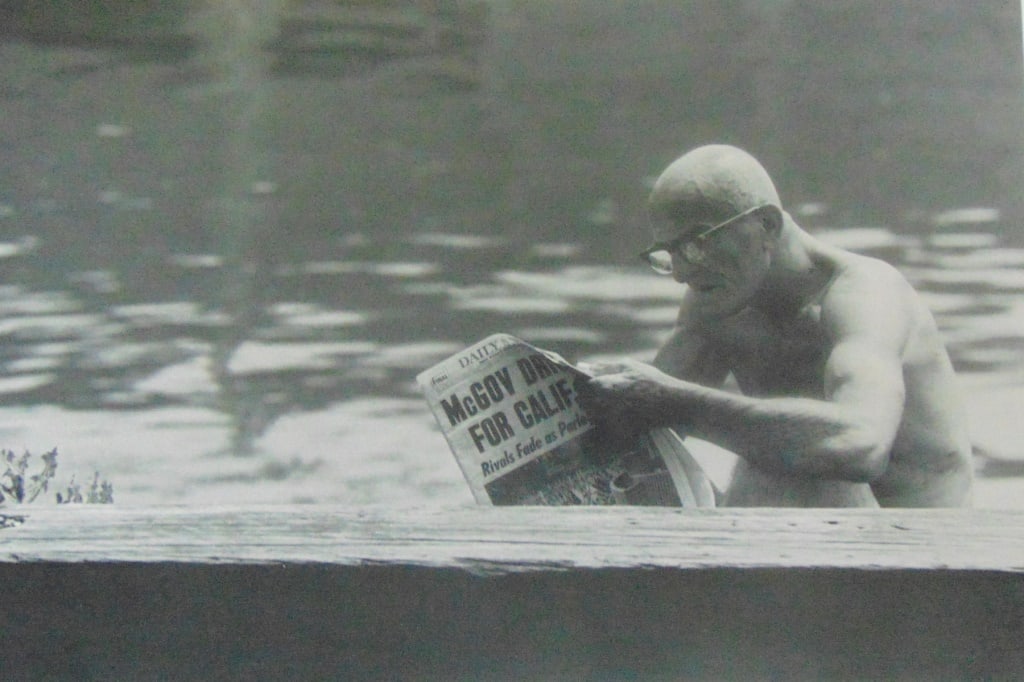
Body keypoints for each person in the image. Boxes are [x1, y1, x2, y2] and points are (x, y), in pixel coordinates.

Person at [576, 144, 974, 507]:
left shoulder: (866, 295)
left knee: (790, 461)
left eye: (695, 244)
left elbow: (860, 444)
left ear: (766, 224)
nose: (680, 273)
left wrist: (675, 402)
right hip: (824, 547)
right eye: (668, 254)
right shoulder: (717, 295)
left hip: (925, 555)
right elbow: (639, 427)